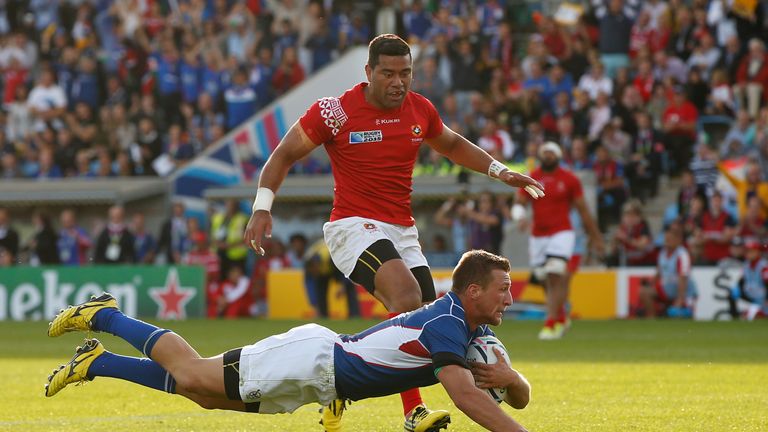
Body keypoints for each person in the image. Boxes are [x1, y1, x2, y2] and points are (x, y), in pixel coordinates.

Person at [242, 33, 543, 431]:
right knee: (406, 295)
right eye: (388, 73)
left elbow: (452, 144)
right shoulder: (335, 112)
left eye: (406, 73)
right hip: (351, 225)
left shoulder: (420, 110)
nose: (398, 82)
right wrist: (262, 208)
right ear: (368, 72)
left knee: (421, 318)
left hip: (401, 230)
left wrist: (500, 171)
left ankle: (337, 379)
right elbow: (283, 154)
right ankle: (413, 412)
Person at [45, 250, 531, 432]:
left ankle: (98, 362)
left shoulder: (476, 331)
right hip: (313, 360)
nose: (511, 298)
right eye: (503, 289)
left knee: (203, 396)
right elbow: (465, 395)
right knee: (193, 371)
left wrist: (512, 378)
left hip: (320, 384)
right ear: (472, 291)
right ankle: (106, 315)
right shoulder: (446, 322)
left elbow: (518, 397)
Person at [511, 142, 604, 340]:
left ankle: (550, 322)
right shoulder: (532, 177)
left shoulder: (569, 179)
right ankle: (561, 316)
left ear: (559, 156)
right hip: (538, 235)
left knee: (555, 273)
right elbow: (519, 202)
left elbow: (583, 210)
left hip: (562, 232)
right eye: (544, 152)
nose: (548, 156)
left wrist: (596, 237)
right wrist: (519, 216)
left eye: (551, 153)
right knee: (543, 278)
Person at [638, 223, 697, 318]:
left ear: (678, 240)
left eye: (669, 239)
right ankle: (652, 318)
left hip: (685, 292)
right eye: (666, 239)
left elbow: (683, 277)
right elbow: (659, 272)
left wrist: (680, 299)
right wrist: (650, 283)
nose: (666, 242)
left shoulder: (682, 255)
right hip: (668, 289)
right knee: (644, 292)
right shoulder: (662, 253)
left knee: (680, 316)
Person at [728, 239, 768, 321]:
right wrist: (737, 288)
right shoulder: (746, 264)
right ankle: (734, 317)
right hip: (751, 295)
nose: (748, 254)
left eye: (751, 251)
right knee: (732, 292)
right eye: (747, 251)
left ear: (758, 252)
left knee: (754, 316)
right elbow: (742, 280)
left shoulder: (763, 266)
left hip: (762, 297)